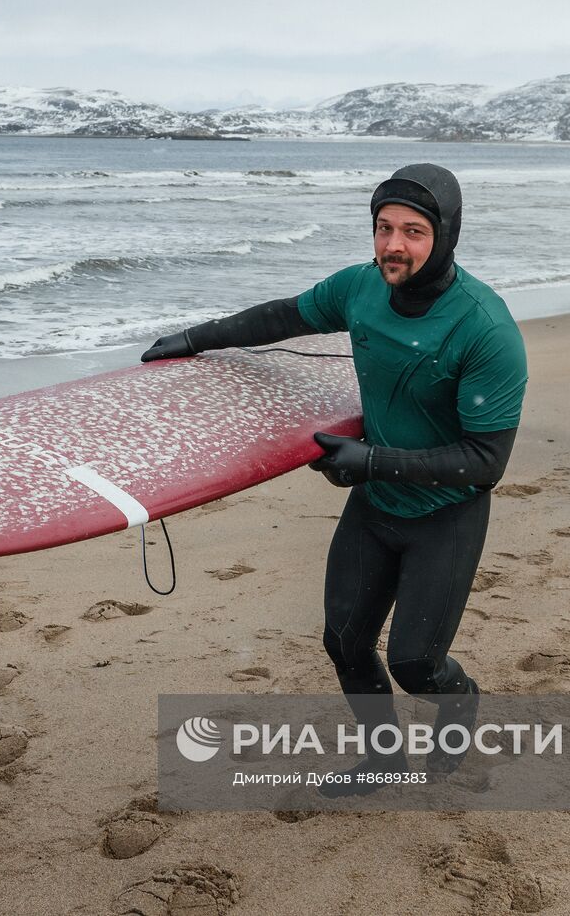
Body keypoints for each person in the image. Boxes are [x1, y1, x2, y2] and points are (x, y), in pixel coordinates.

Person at [141, 164, 527, 795]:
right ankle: (384, 756)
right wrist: (193, 338)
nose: (393, 245)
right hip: (376, 506)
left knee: (415, 664)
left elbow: (486, 463)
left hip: (445, 515)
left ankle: (460, 701)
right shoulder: (361, 288)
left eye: (414, 231)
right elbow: (284, 316)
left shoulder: (485, 330)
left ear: (446, 237)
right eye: (383, 228)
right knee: (345, 641)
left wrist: (367, 461)